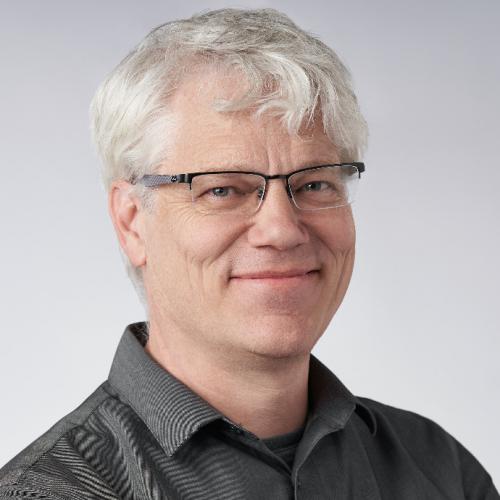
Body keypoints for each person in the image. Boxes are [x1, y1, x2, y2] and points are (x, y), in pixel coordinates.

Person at [0, 8, 497, 499]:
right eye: (222, 190)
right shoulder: (50, 492)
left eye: (315, 183)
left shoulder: (438, 468)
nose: (281, 230)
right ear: (132, 221)